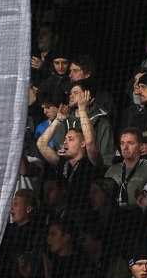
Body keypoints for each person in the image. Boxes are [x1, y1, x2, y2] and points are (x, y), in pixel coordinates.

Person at [36, 87, 104, 215]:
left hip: (84, 213)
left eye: (71, 139)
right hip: (63, 212)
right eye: (66, 139)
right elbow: (41, 144)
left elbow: (90, 141)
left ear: (82, 144)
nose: (65, 142)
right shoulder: (62, 162)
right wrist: (59, 119)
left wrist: (82, 110)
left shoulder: (91, 162)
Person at [105, 128, 147, 209]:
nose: (125, 147)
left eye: (130, 143)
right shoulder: (112, 170)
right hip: (114, 217)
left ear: (141, 146)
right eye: (122, 143)